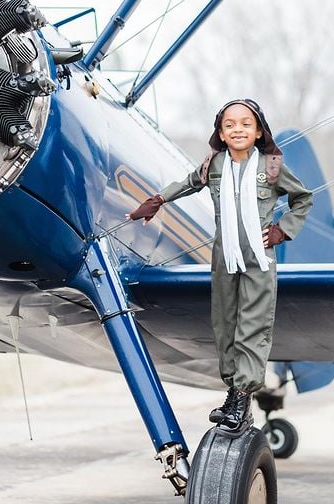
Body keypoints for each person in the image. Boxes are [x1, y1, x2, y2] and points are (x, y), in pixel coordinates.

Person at [128, 99, 313, 437]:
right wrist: (156, 202)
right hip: (223, 258)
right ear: (221, 133)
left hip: (259, 258)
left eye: (246, 124)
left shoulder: (271, 167)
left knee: (252, 328)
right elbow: (186, 183)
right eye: (230, 125)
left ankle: (243, 398)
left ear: (258, 131)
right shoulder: (214, 166)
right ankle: (233, 391)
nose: (238, 129)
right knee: (224, 324)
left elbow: (303, 198)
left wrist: (282, 230)